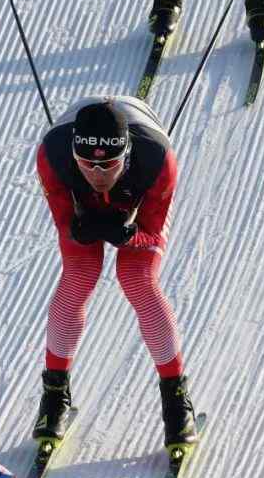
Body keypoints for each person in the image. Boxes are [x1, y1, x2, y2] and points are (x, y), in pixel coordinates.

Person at [32, 95, 198, 455]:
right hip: (84, 199)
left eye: (108, 165)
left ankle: (176, 402)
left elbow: (151, 234)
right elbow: (65, 223)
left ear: (127, 154)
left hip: (139, 199)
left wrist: (130, 234)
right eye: (87, 165)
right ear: (74, 155)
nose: (98, 175)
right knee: (80, 273)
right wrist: (77, 228)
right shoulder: (52, 156)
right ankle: (54, 397)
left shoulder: (158, 161)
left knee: (137, 278)